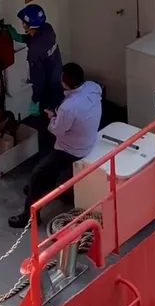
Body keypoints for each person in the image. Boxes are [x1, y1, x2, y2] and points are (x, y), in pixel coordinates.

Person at [8, 63, 102, 229]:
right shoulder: (93, 87)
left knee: (39, 172)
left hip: (72, 150)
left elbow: (57, 130)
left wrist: (52, 117)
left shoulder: (68, 108)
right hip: (88, 138)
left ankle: (29, 218)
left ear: (64, 82)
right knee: (49, 161)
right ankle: (44, 186)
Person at [9, 4, 63, 118]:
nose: (22, 24)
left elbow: (38, 76)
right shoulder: (48, 28)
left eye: (23, 22)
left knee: (47, 120)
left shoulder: (34, 49)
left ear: (27, 25)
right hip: (57, 80)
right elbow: (36, 39)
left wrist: (36, 98)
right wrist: (20, 37)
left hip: (47, 90)